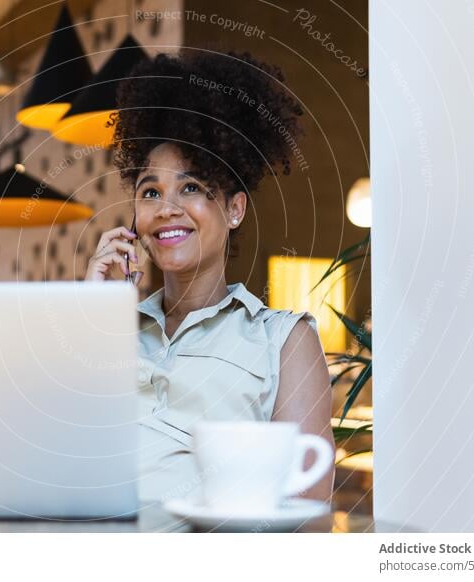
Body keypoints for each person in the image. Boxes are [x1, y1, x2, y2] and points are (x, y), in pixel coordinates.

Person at [85, 50, 335, 505]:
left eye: (193, 187)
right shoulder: (108, 330)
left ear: (234, 209)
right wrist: (93, 315)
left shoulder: (283, 340)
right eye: (150, 191)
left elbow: (307, 518)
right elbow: (56, 458)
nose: (166, 207)